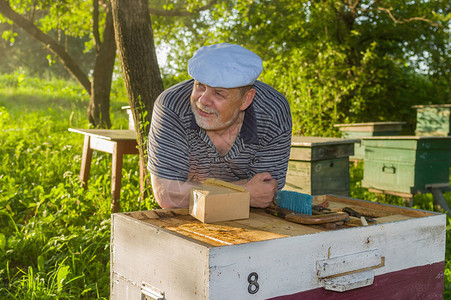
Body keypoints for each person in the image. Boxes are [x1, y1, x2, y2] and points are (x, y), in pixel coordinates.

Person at [147, 43, 292, 209]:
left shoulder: (273, 113)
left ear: (246, 99)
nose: (203, 101)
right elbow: (167, 196)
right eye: (200, 86)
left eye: (218, 93)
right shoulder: (172, 106)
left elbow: (264, 192)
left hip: (252, 221)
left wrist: (192, 190)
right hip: (185, 217)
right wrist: (243, 192)